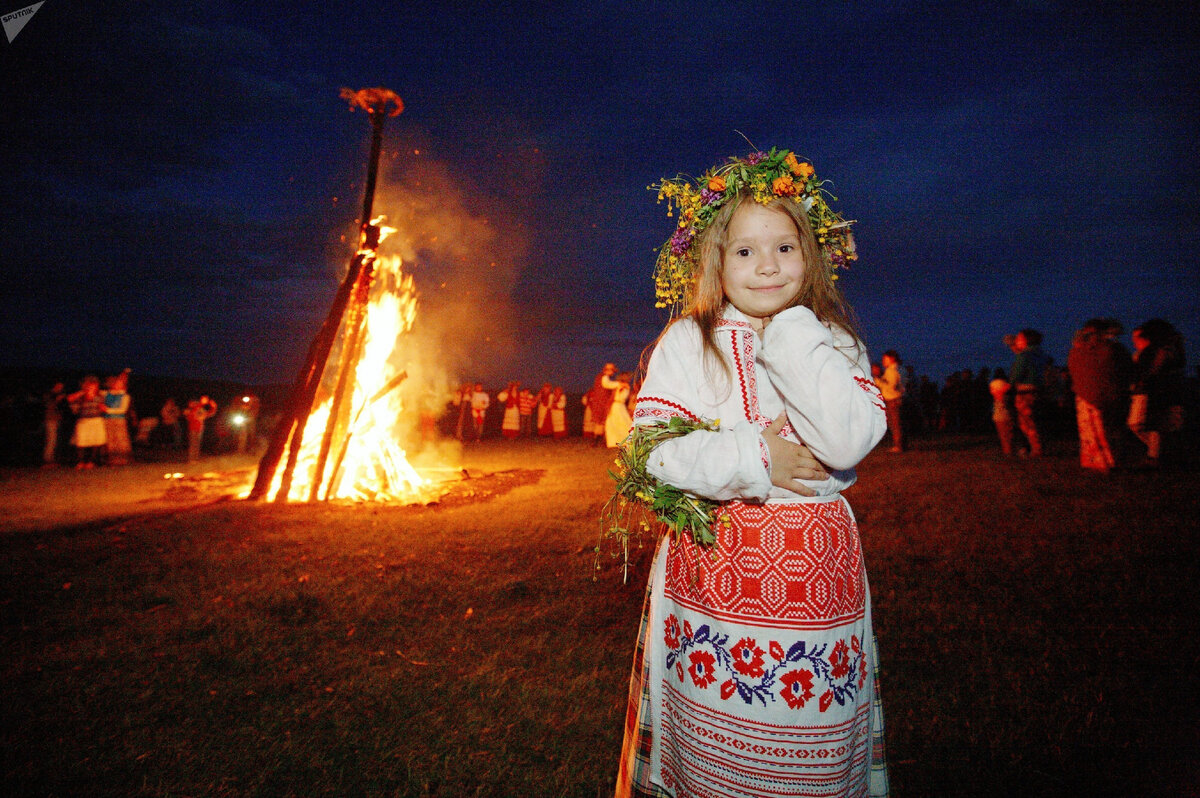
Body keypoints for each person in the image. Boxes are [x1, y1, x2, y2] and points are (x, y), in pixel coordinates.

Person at [615, 149, 889, 797]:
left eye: (784, 247)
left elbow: (849, 439)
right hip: (715, 587)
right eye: (743, 251)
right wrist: (754, 459)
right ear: (714, 260)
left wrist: (794, 335)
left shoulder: (832, 341)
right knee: (718, 758)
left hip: (819, 588)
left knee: (813, 758)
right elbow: (650, 454)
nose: (766, 265)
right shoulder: (690, 342)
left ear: (811, 255)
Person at [1067, 319, 1131, 473]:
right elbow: (1127, 369)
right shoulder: (1115, 349)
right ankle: (1112, 461)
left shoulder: (1080, 349)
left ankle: (1099, 461)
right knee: (1110, 429)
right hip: (1111, 393)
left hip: (1088, 394)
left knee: (1095, 430)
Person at [1128, 318, 1187, 467]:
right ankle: (1157, 454)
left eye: (1138, 337)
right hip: (1159, 392)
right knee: (1154, 426)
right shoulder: (1158, 351)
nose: (1135, 340)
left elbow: (1152, 371)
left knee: (1149, 425)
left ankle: (1157, 454)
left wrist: (1141, 380)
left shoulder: (1161, 351)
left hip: (1157, 392)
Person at [1008, 328, 1051, 457]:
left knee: (1027, 422)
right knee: (1036, 420)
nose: (1017, 341)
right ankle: (1039, 447)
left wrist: (1009, 385)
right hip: (1039, 391)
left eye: (1019, 339)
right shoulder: (1041, 355)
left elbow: (1017, 375)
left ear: (1027, 340)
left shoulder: (1024, 356)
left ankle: (1036, 449)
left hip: (1024, 392)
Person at [67, 375, 107, 469]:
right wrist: (82, 393)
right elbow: (70, 400)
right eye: (89, 385)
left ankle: (90, 462)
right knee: (81, 442)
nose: (91, 387)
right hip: (83, 421)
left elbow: (103, 407)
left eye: (93, 385)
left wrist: (103, 409)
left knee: (95, 441)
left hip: (96, 420)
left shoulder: (100, 396)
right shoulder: (80, 396)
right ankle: (80, 461)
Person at [102, 369, 133, 466]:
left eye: (120, 383)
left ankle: (123, 460)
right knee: (111, 439)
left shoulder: (125, 396)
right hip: (108, 420)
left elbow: (122, 410)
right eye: (116, 383)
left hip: (119, 419)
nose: (118, 385)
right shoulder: (107, 394)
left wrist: (107, 410)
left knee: (121, 439)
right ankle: (112, 460)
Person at [876, 350, 905, 452]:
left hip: (892, 400)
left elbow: (890, 386)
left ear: (891, 359)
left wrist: (877, 381)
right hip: (896, 399)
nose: (883, 361)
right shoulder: (899, 369)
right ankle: (900, 444)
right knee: (896, 423)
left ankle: (898, 446)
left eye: (885, 359)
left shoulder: (891, 371)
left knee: (895, 424)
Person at [989, 368, 1015, 455]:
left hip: (998, 411)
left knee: (1002, 434)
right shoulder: (1007, 385)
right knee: (1009, 432)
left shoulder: (992, 384)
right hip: (1007, 410)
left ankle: (1006, 450)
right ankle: (1010, 449)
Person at [183, 396, 217, 462]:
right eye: (193, 403)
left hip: (199, 428)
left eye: (195, 402)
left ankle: (195, 459)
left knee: (197, 444)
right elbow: (190, 416)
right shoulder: (191, 410)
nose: (193, 404)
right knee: (193, 444)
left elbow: (210, 413)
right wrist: (203, 403)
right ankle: (192, 459)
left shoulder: (200, 409)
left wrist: (214, 407)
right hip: (193, 428)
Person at [605, 371, 633, 447]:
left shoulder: (623, 385)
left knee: (623, 422)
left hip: (620, 405)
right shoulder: (620, 385)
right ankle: (616, 441)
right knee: (615, 422)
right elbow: (608, 385)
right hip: (616, 405)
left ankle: (625, 440)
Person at [42, 381, 66, 466]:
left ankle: (53, 459)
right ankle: (47, 460)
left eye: (61, 387)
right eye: (59, 386)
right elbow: (49, 406)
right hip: (50, 419)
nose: (60, 388)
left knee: (55, 440)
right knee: (51, 440)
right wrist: (57, 400)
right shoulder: (49, 395)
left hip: (57, 420)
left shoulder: (58, 395)